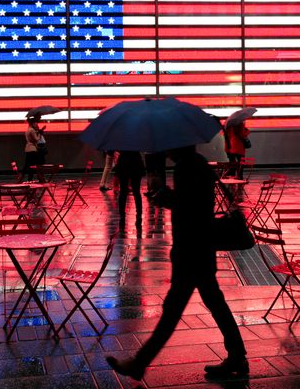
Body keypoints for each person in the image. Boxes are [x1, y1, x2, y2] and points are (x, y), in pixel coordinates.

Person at [106, 145, 247, 380]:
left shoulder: (186, 167)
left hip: (190, 251)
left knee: (172, 311)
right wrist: (170, 197)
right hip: (202, 249)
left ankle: (139, 363)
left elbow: (190, 209)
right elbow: (197, 204)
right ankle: (237, 356)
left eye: (169, 145)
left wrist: (166, 196)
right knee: (215, 304)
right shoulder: (199, 162)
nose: (165, 149)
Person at [114, 151, 144, 229]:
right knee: (136, 191)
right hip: (136, 163)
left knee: (123, 191)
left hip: (123, 163)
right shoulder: (138, 139)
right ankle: (139, 214)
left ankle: (122, 215)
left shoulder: (122, 140)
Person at [23, 116, 41, 181]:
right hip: (32, 149)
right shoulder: (32, 130)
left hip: (27, 149)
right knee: (36, 165)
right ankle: (40, 179)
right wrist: (39, 134)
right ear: (33, 123)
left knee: (28, 165)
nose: (37, 124)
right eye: (36, 123)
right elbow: (36, 139)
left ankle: (25, 178)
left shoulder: (28, 130)